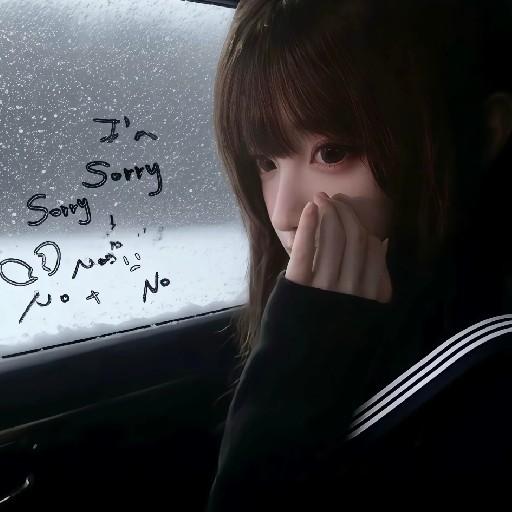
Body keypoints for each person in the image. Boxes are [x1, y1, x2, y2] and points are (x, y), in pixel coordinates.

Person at [205, 0, 512, 509]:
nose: (282, 212)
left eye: (332, 153)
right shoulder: (316, 326)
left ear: (479, 136)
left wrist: (294, 374)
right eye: (265, 161)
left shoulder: (486, 381)